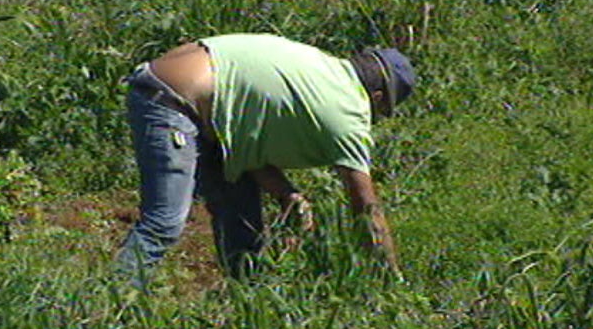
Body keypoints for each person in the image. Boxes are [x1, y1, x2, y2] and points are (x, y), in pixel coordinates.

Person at [114, 33, 416, 290]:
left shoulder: (322, 69)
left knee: (241, 212)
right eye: (383, 112)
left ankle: (247, 301)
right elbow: (366, 210)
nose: (376, 120)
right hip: (171, 101)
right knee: (164, 222)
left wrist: (286, 194)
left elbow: (245, 142)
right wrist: (390, 279)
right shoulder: (348, 112)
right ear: (376, 97)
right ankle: (97, 317)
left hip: (190, 96)